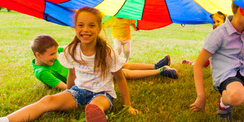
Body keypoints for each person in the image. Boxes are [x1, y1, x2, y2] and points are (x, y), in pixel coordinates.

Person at [0, 7, 139, 122]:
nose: (85, 29)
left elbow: (120, 79)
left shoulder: (107, 52)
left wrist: (127, 105)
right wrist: (66, 95)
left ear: (99, 28)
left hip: (102, 94)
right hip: (79, 92)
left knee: (94, 106)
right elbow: (72, 75)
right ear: (75, 27)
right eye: (81, 25)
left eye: (91, 25)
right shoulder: (72, 50)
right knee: (47, 101)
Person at [31, 34, 177, 88]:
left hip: (92, 66)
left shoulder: (55, 54)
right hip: (90, 77)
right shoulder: (43, 72)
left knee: (121, 64)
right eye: (51, 54)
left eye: (55, 52)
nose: (56, 56)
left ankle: (156, 65)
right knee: (124, 73)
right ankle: (160, 71)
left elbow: (71, 48)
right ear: (38, 55)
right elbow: (65, 87)